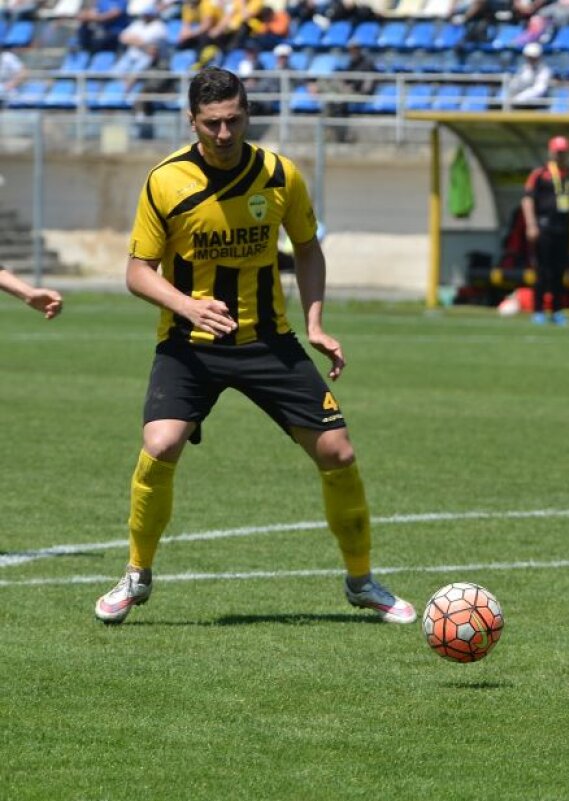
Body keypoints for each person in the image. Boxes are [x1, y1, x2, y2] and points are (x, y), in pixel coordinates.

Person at [93, 67, 415, 627]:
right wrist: (188, 306)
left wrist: (315, 323)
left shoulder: (280, 174)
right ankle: (137, 574)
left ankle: (362, 582)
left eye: (234, 120)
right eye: (212, 123)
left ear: (247, 114)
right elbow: (137, 272)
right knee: (160, 445)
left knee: (338, 453)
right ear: (192, 121)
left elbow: (308, 248)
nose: (224, 133)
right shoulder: (165, 181)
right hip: (189, 342)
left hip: (269, 340)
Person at [521, 135, 569, 326]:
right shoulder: (540, 174)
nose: (560, 156)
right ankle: (538, 310)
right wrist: (531, 225)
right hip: (543, 228)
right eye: (558, 152)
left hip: (563, 229)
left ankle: (558, 310)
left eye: (563, 152)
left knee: (560, 272)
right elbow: (527, 199)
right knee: (542, 270)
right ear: (551, 152)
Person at [505, 41, 552, 109]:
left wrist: (519, 98)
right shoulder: (524, 68)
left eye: (533, 57)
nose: (531, 59)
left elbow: (539, 90)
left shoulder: (544, 71)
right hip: (519, 104)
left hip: (537, 105)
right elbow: (515, 84)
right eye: (529, 57)